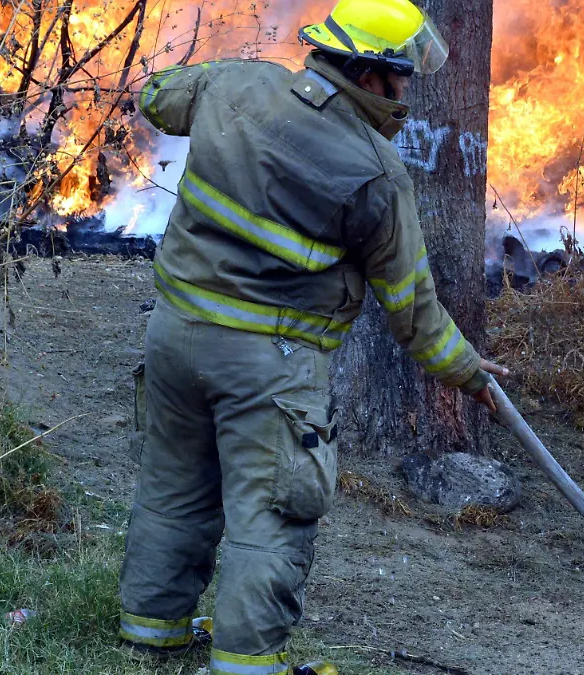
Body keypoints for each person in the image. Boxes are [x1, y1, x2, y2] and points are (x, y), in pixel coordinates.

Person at [119, 0, 507, 672]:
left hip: (174, 337)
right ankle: (247, 662)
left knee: (173, 486)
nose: (409, 88)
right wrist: (469, 372)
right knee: (271, 515)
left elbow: (158, 97)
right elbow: (413, 311)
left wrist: (220, 102)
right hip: (269, 369)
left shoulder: (237, 84)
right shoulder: (378, 174)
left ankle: (152, 631)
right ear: (368, 73)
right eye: (403, 74)